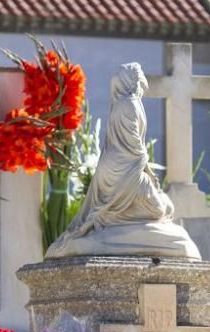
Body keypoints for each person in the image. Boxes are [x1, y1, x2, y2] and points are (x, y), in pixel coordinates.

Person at [46, 62, 200, 260]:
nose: (143, 82)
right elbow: (133, 145)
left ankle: (114, 221)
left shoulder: (126, 103)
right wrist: (147, 171)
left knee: (164, 208)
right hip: (123, 169)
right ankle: (114, 223)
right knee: (162, 209)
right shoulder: (129, 105)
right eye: (139, 78)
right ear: (133, 80)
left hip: (118, 166)